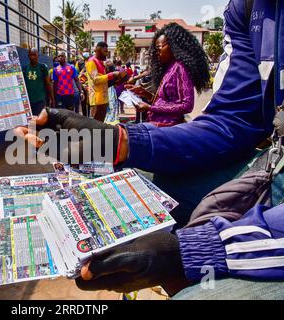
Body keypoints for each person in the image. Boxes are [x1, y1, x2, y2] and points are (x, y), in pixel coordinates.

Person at [15, 0, 284, 299]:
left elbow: (183, 106)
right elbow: (232, 120)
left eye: (162, 46)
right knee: (124, 180)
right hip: (267, 167)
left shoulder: (179, 70)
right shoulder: (248, 7)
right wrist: (117, 140)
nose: (157, 51)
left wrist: (191, 251)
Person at [126, 23, 211, 127]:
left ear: (173, 46)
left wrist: (149, 108)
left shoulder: (181, 68)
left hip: (169, 128)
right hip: (157, 123)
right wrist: (145, 94)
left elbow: (187, 106)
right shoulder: (169, 67)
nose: (157, 52)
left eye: (159, 48)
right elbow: (165, 101)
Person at [86, 42, 127, 122]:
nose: (106, 54)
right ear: (98, 50)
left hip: (103, 98)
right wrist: (112, 74)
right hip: (96, 99)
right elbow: (96, 80)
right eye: (105, 52)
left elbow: (104, 81)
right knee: (95, 125)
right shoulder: (91, 62)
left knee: (100, 124)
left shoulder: (101, 63)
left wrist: (120, 79)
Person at [22, 48, 55, 116]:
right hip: (28, 100)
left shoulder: (43, 67)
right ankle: (33, 127)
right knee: (31, 121)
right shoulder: (25, 68)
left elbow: (48, 84)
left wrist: (52, 98)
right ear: (28, 56)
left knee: (40, 120)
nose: (32, 57)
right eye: (31, 55)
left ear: (38, 56)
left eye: (34, 55)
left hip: (40, 100)